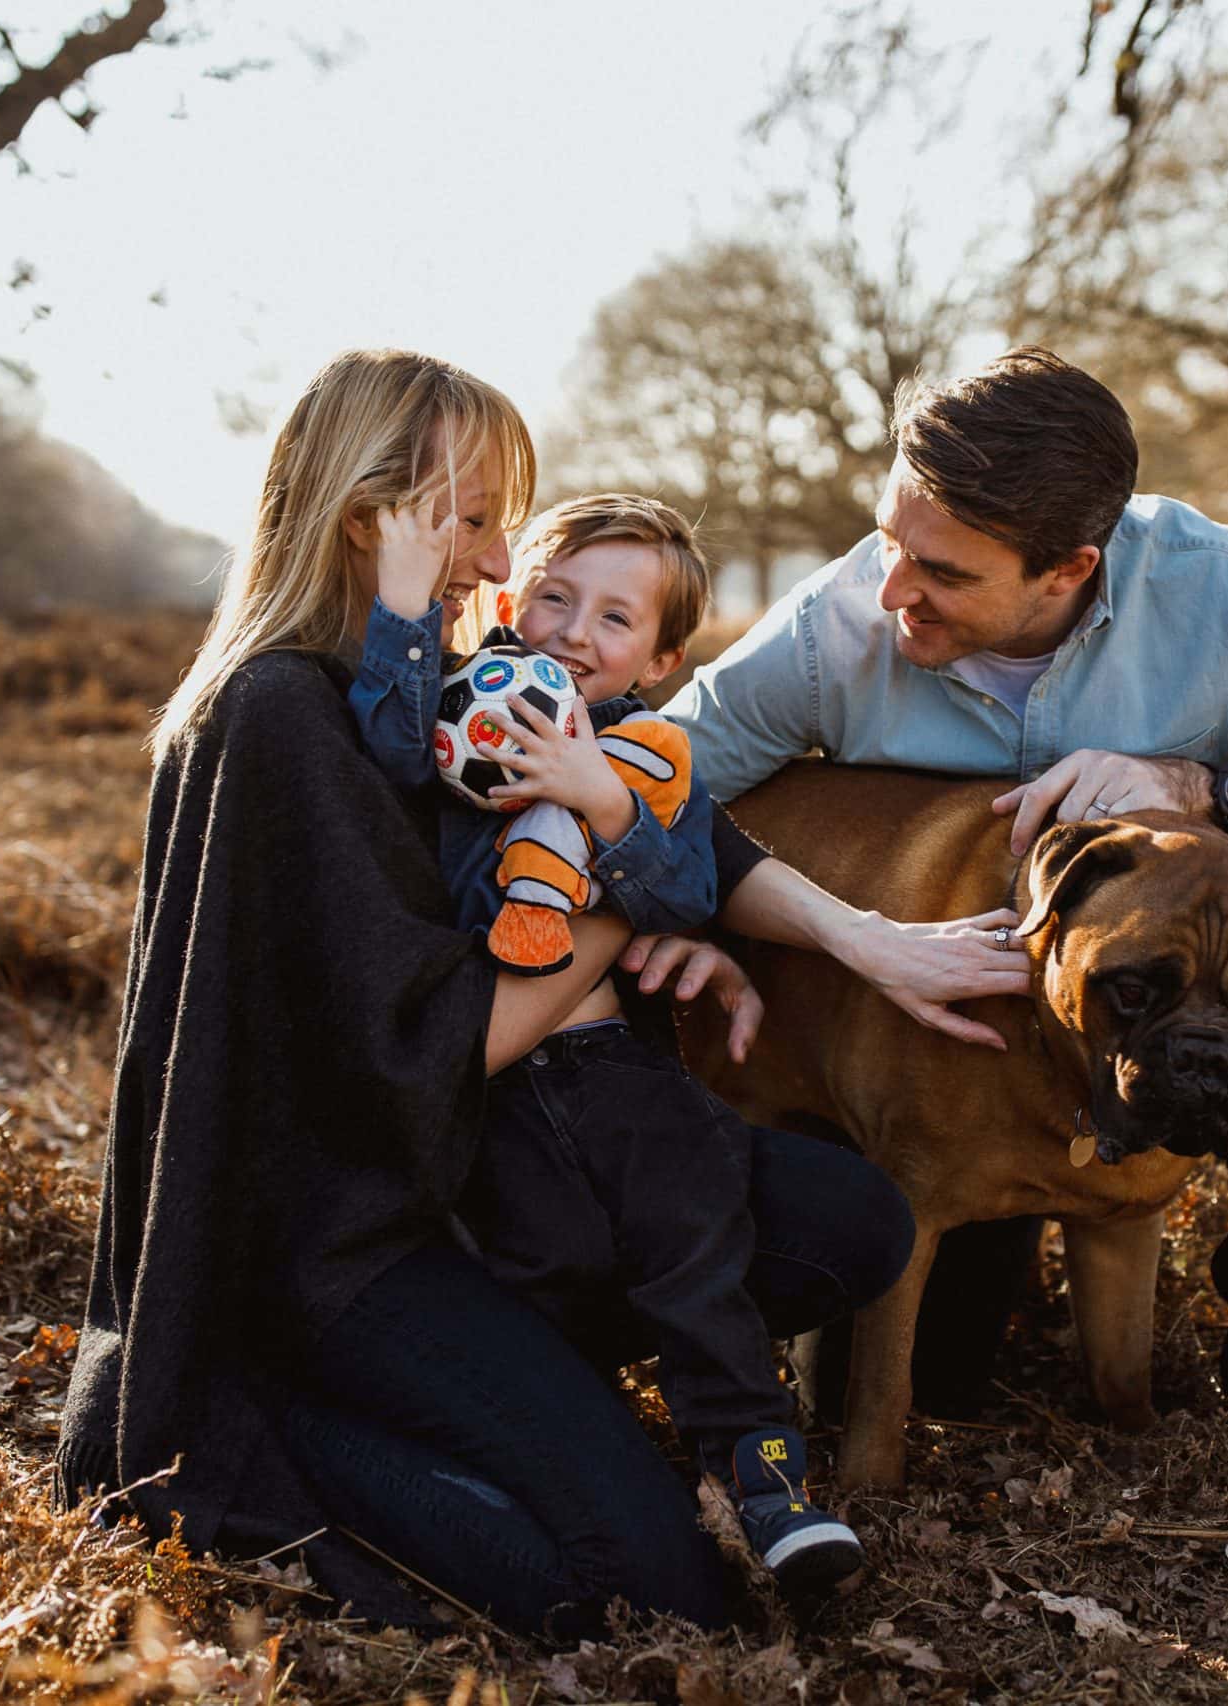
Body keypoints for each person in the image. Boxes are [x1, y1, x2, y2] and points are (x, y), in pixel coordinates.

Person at [56, 350, 914, 1638]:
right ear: (370, 515)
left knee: (844, 1220)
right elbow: (440, 1049)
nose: (500, 559)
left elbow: (660, 832)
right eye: (470, 519)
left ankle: (512, 1379)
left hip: (459, 1181)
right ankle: (297, 1412)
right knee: (645, 1583)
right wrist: (623, 908)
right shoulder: (280, 714)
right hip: (336, 1247)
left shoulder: (423, 700)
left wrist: (805, 931)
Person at [655, 346, 1228, 1510]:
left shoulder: (1214, 589)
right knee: (930, 1375)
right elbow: (648, 788)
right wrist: (684, 904)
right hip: (939, 1038)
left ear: (1070, 568)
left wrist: (1204, 789)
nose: (892, 589)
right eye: (888, 542)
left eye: (941, 570)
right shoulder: (835, 623)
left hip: (1142, 979)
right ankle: (1012, 1244)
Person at [343, 493, 863, 1596]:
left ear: (662, 660)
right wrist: (403, 611)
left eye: (616, 618)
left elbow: (686, 893)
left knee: (698, 1255)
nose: (575, 632)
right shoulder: (458, 701)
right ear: (510, 602)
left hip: (620, 1076)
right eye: (556, 597)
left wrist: (606, 806)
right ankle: (559, 1441)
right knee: (543, 1263)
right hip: (501, 1087)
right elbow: (381, 749)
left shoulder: (649, 756)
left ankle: (766, 1482)